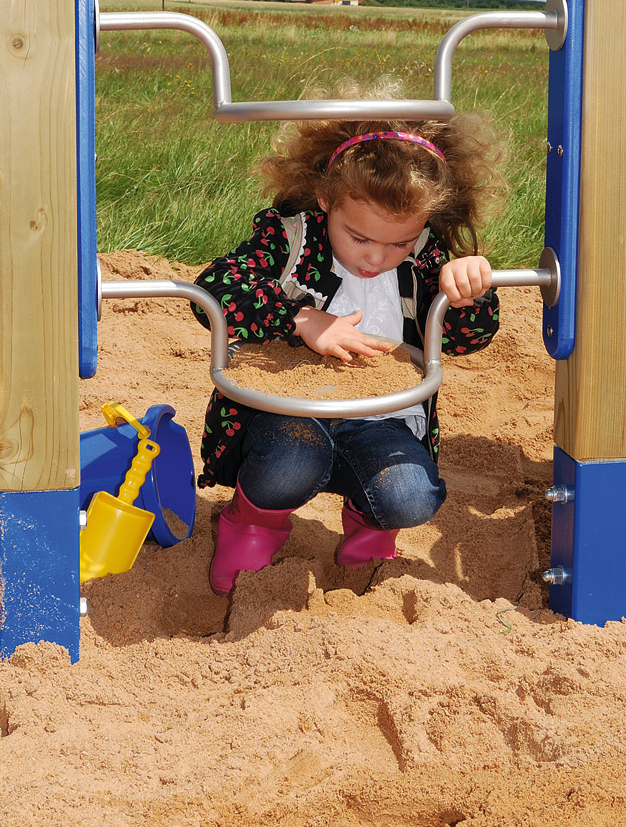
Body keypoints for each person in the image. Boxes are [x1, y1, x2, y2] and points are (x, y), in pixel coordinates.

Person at [191, 95, 502, 595]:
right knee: (292, 461)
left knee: (413, 496)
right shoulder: (289, 238)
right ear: (325, 199)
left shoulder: (426, 258)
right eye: (357, 237)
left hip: (380, 417)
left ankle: (370, 526)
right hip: (289, 413)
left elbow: (467, 341)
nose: (376, 258)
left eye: (398, 243)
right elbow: (215, 288)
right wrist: (300, 318)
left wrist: (468, 295)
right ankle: (252, 524)